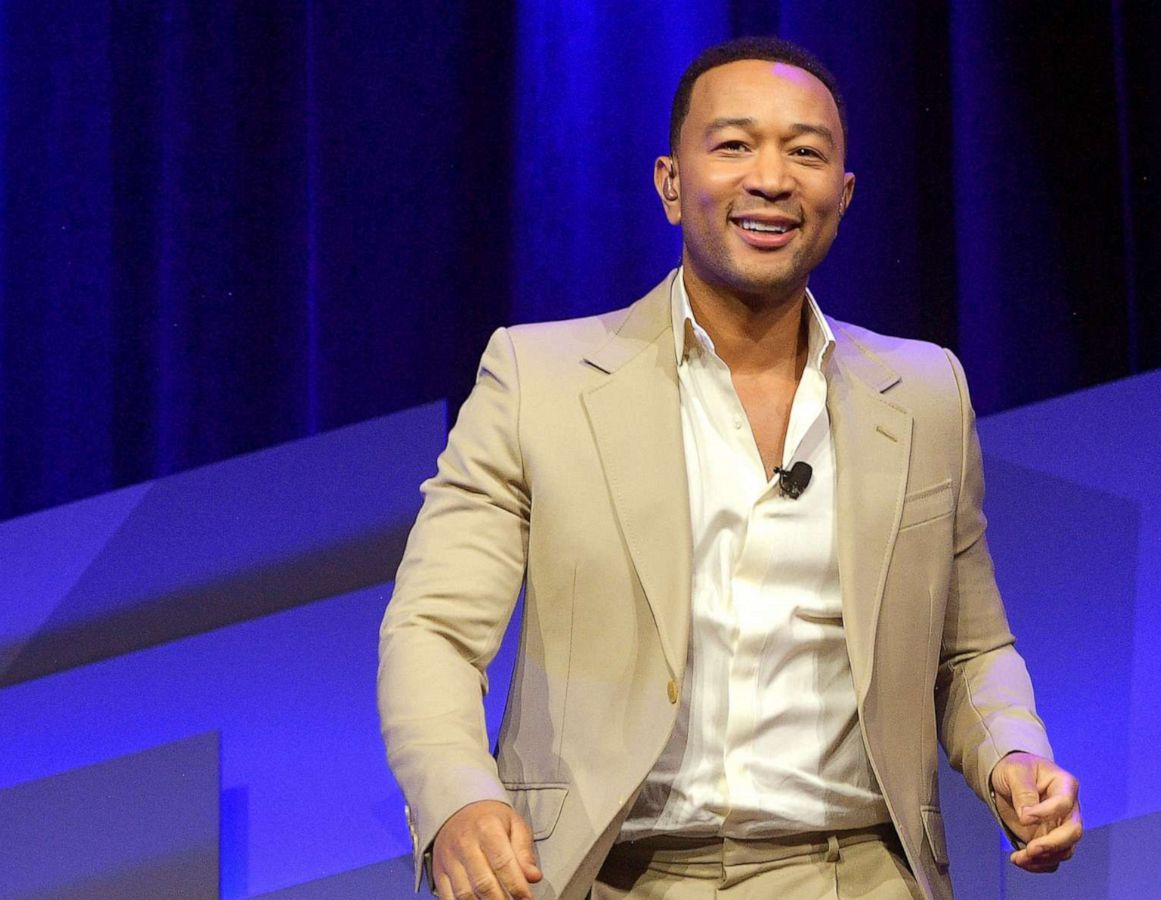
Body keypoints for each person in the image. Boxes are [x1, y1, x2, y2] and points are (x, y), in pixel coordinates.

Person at [377, 36, 1081, 900]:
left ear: (844, 195)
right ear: (671, 184)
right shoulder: (541, 380)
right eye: (735, 145)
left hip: (853, 875)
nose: (773, 178)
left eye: (806, 153)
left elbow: (970, 650)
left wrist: (1015, 754)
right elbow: (433, 632)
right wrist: (457, 801)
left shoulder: (925, 392)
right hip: (609, 874)